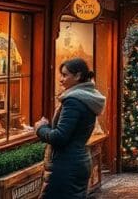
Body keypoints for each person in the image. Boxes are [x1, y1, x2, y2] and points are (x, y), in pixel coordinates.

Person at [34, 58, 106, 199]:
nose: (61, 79)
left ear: (78, 76)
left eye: (65, 75)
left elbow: (60, 137)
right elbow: (71, 131)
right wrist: (48, 126)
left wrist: (40, 128)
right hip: (78, 161)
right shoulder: (85, 97)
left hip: (67, 165)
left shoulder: (73, 101)